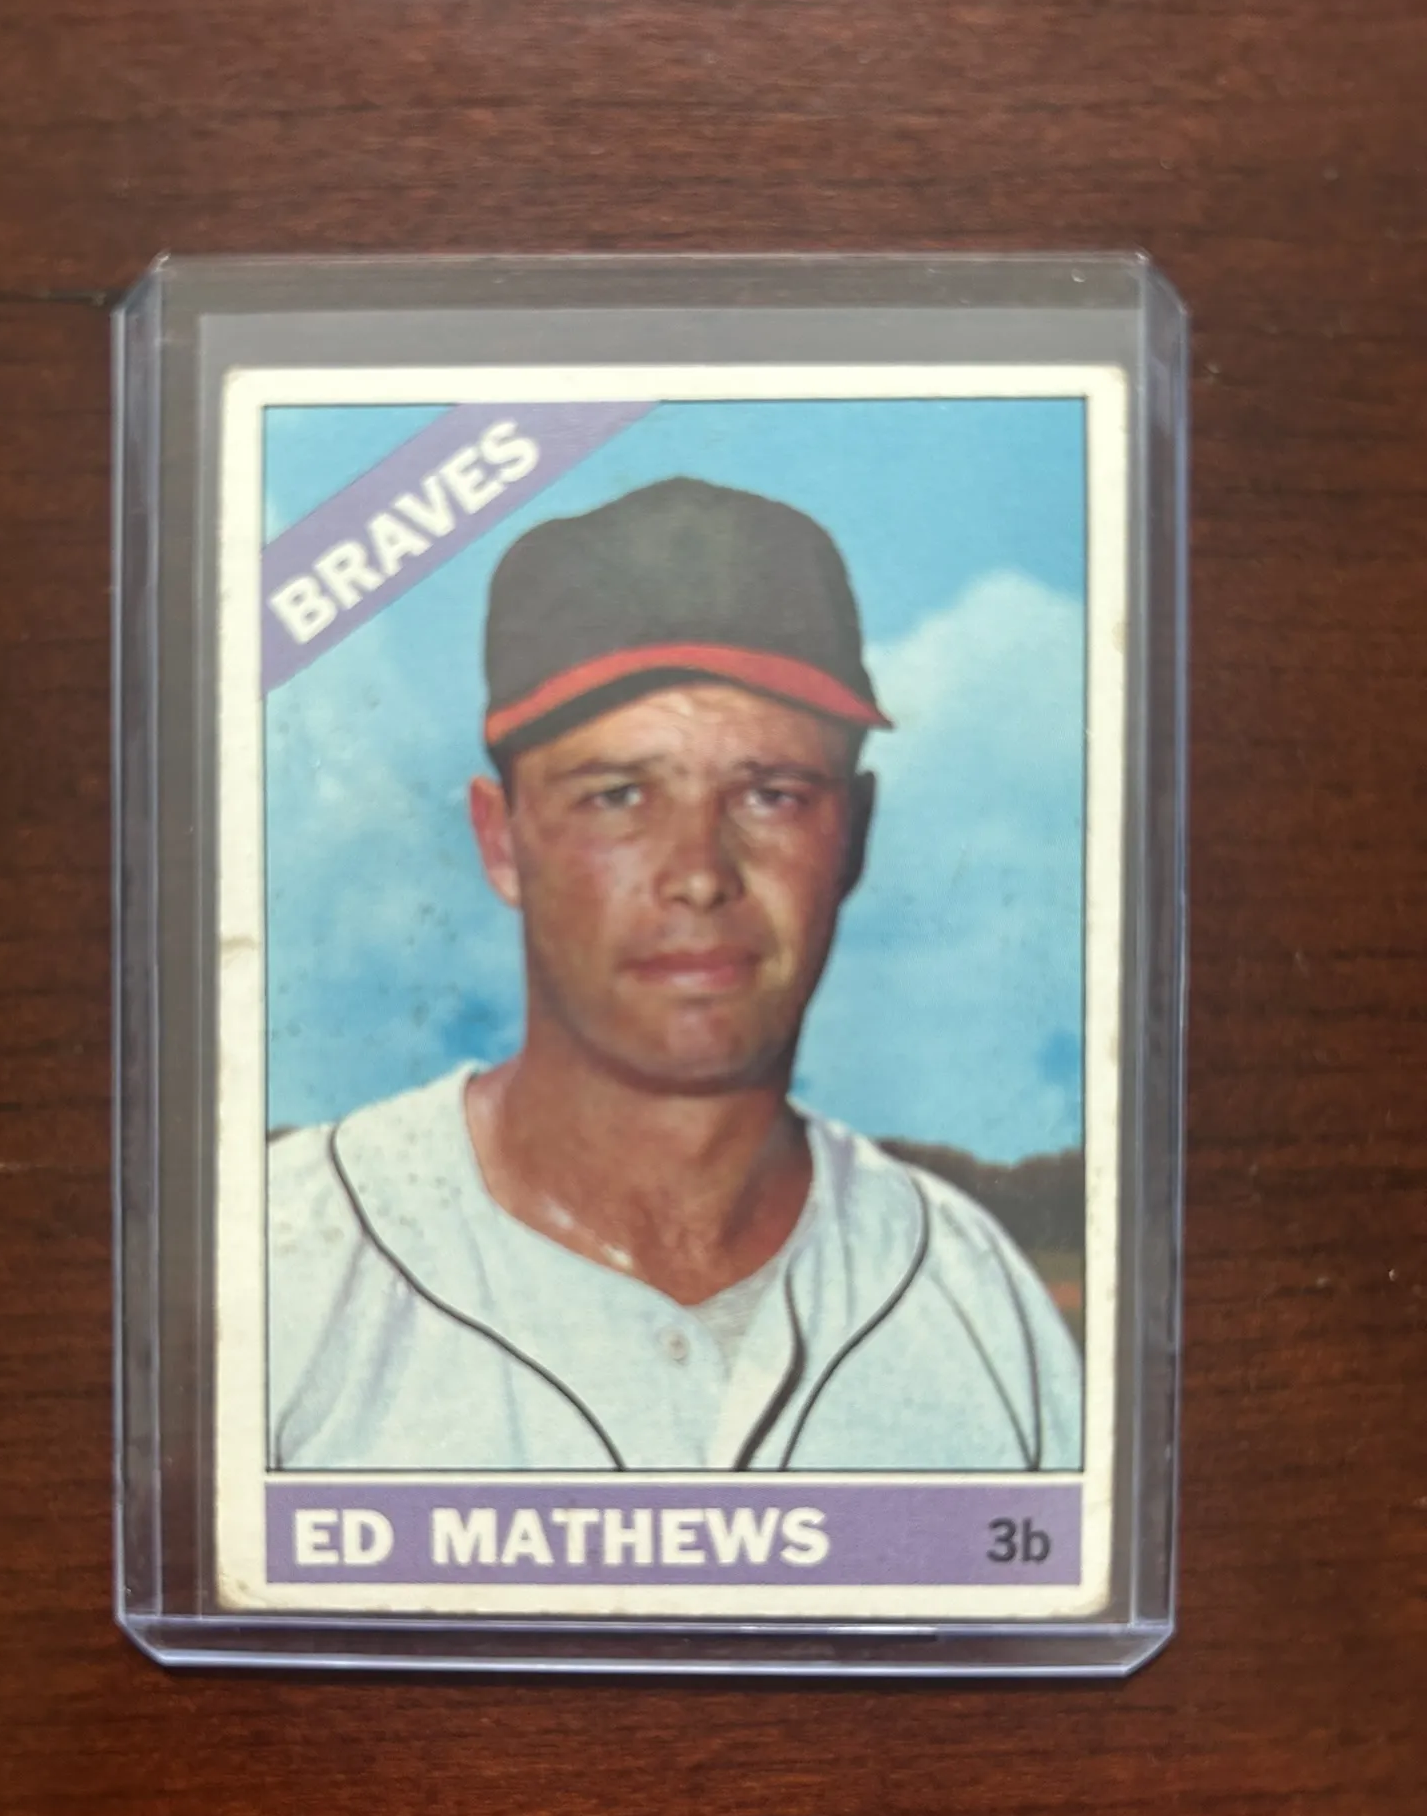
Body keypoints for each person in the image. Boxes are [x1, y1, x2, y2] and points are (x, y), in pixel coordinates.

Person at [269, 478, 1082, 1473]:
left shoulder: (971, 1296)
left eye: (772, 795)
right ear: (501, 841)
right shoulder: (285, 1267)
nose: (699, 872)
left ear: (855, 834)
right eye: (618, 795)